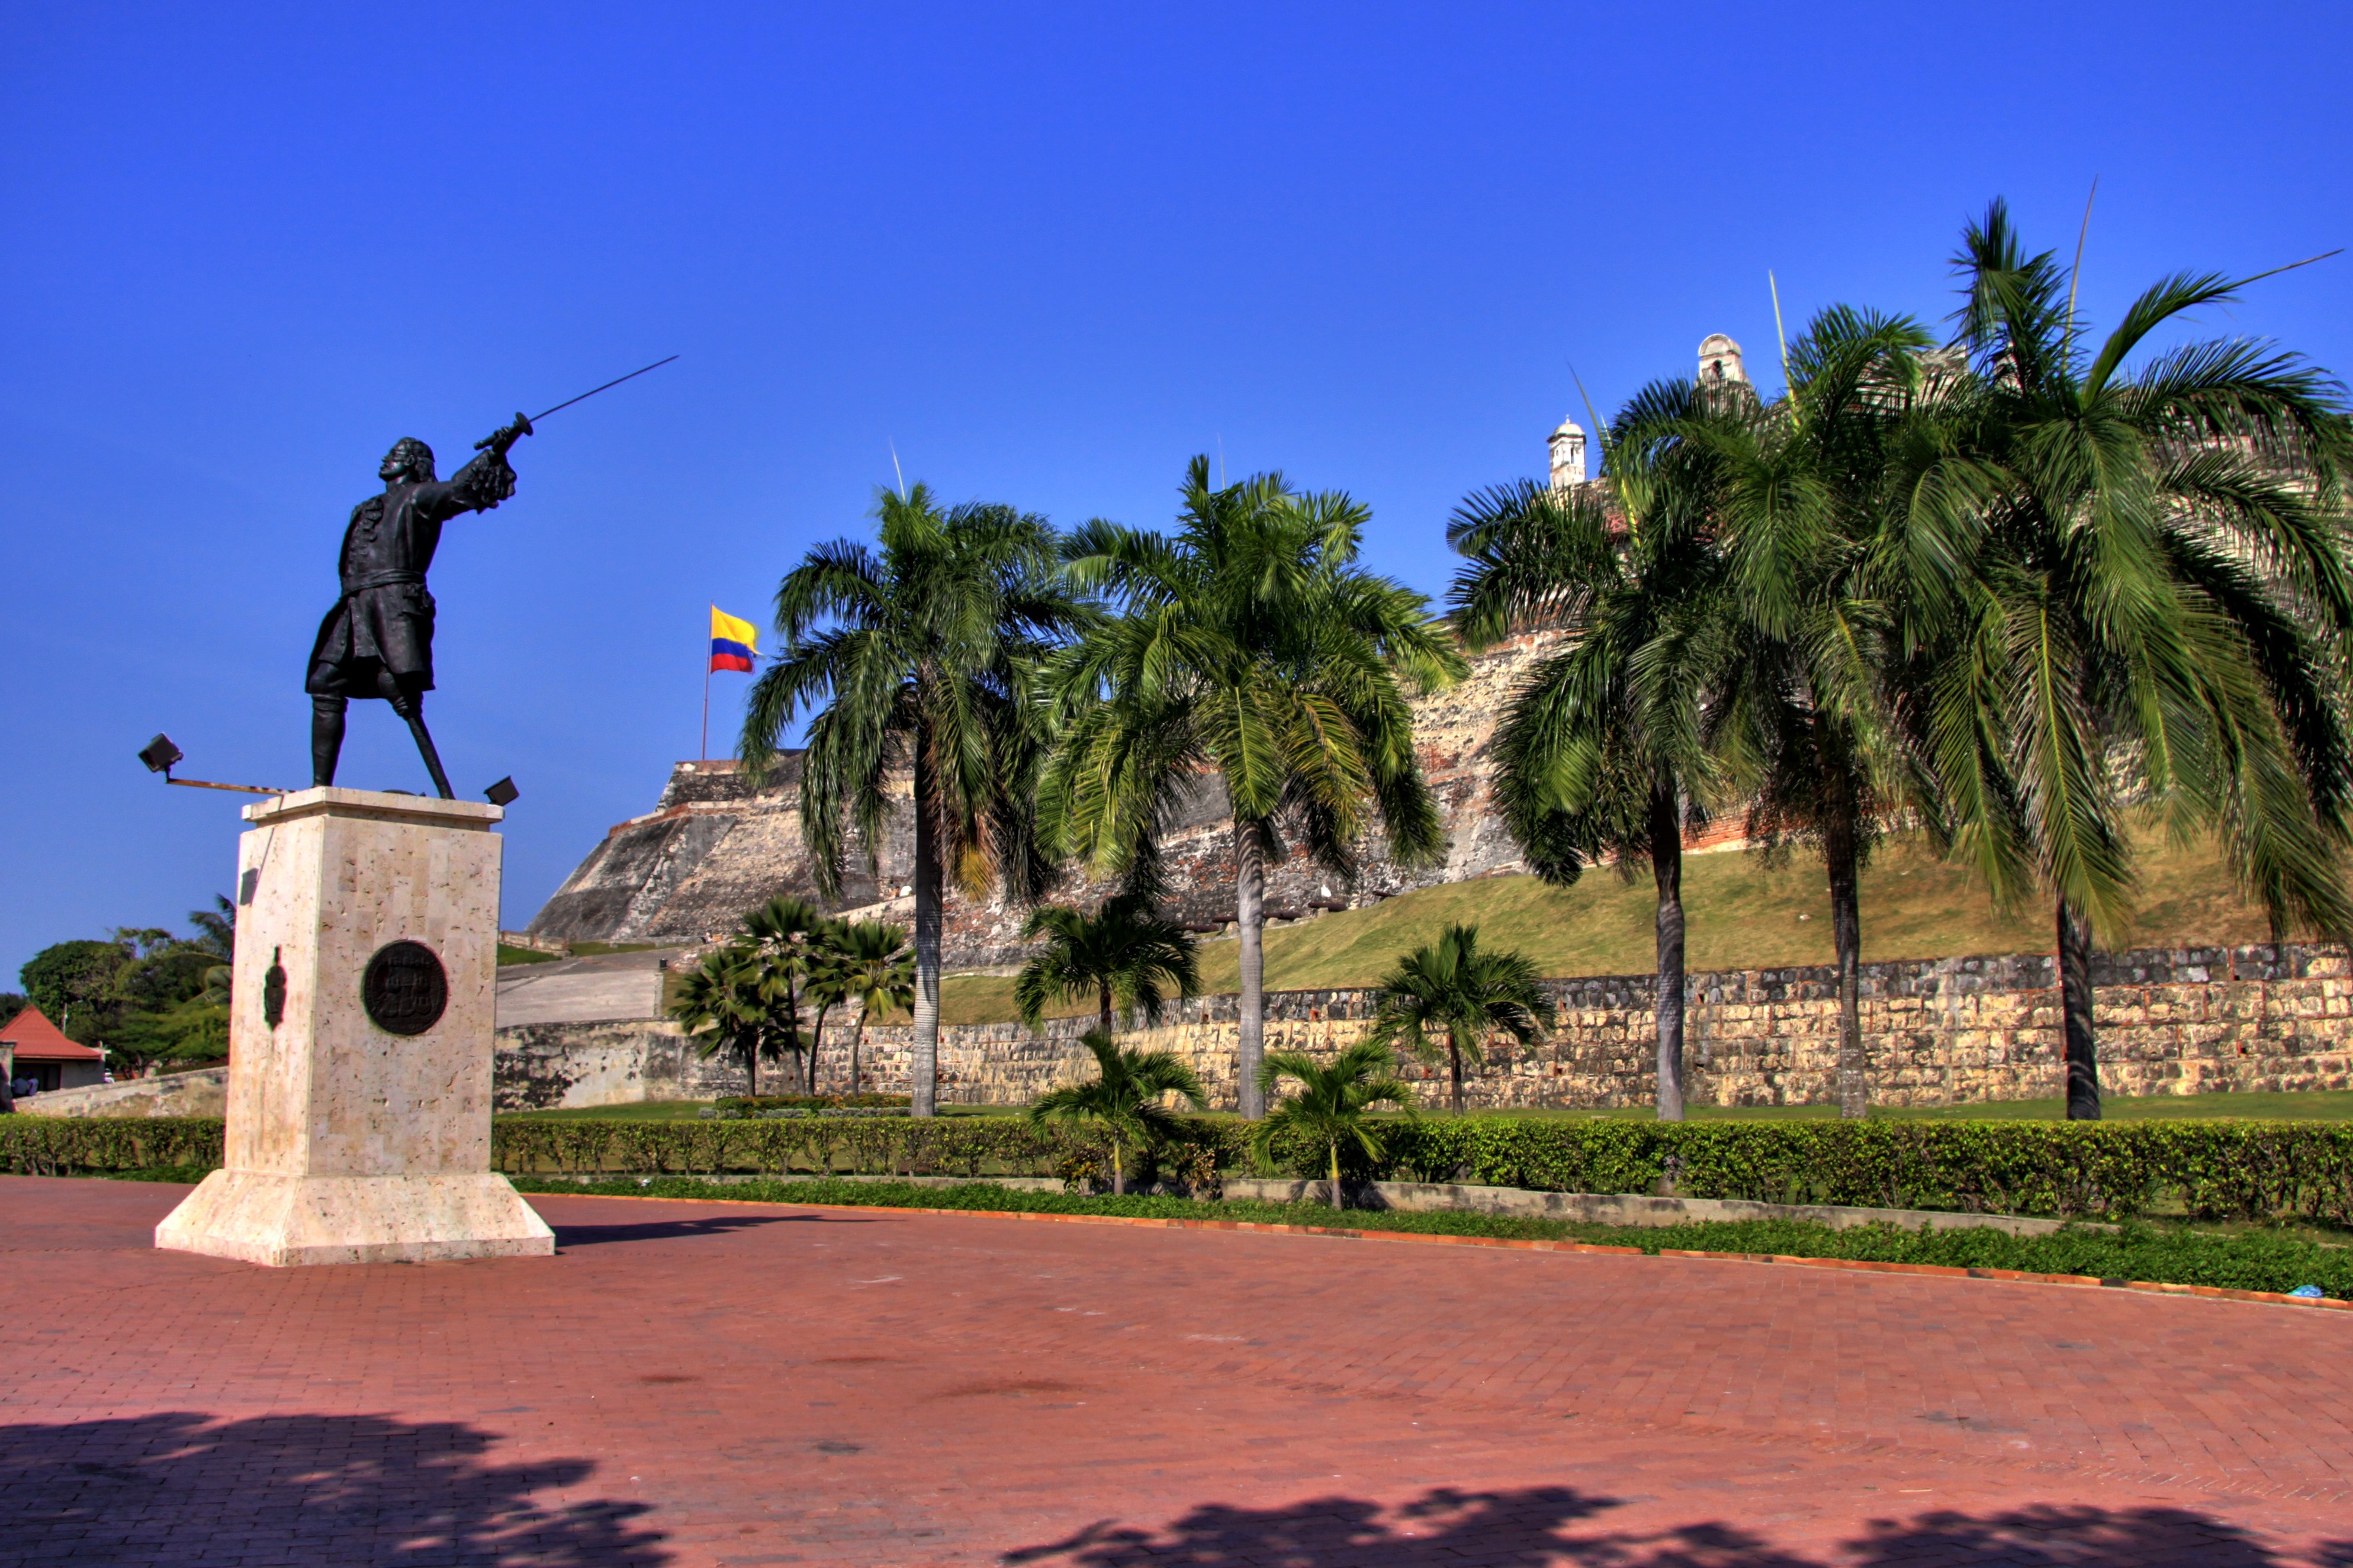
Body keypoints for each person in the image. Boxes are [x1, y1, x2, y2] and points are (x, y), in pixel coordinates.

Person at [306, 419, 528, 797]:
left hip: (392, 603)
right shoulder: (368, 507)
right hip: (355, 604)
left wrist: (495, 451)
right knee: (325, 681)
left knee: (399, 691)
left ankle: (445, 792)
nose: (385, 459)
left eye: (394, 455)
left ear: (411, 463)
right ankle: (319, 787)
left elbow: (458, 490)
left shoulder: (418, 497)